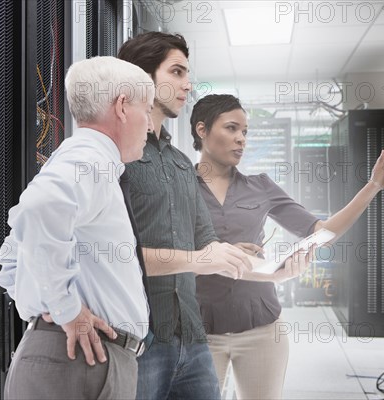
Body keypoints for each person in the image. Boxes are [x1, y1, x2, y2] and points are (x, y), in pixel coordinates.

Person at [190, 94, 384, 399]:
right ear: (202, 130)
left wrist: (373, 187)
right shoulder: (180, 187)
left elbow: (322, 233)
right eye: (231, 128)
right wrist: (227, 254)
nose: (241, 139)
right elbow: (174, 257)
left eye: (245, 132)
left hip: (261, 329)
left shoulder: (261, 186)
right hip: (199, 331)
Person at [0, 56, 156, 400]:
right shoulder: (90, 160)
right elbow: (39, 210)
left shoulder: (82, 159)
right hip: (79, 360)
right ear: (123, 106)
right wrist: (65, 310)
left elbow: (12, 260)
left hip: (72, 358)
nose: (151, 126)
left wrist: (45, 303)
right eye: (148, 110)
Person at [117, 32, 262, 400]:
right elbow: (116, 257)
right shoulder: (117, 159)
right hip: (139, 343)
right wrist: (200, 259)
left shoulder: (182, 164)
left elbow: (204, 239)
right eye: (177, 72)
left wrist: (237, 257)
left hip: (193, 341)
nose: (188, 84)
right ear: (142, 77)